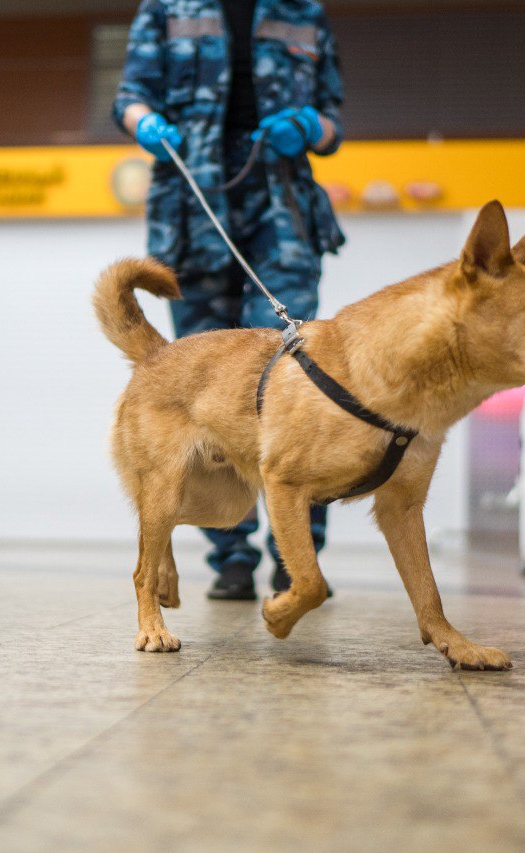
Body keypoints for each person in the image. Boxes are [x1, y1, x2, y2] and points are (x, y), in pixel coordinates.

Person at [113, 0, 345, 601]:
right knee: (205, 389)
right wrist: (145, 124)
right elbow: (129, 98)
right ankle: (231, 557)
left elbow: (332, 122)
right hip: (194, 207)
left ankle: (299, 560)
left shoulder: (304, 11)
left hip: (283, 214)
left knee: (301, 382)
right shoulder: (167, 8)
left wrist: (309, 126)